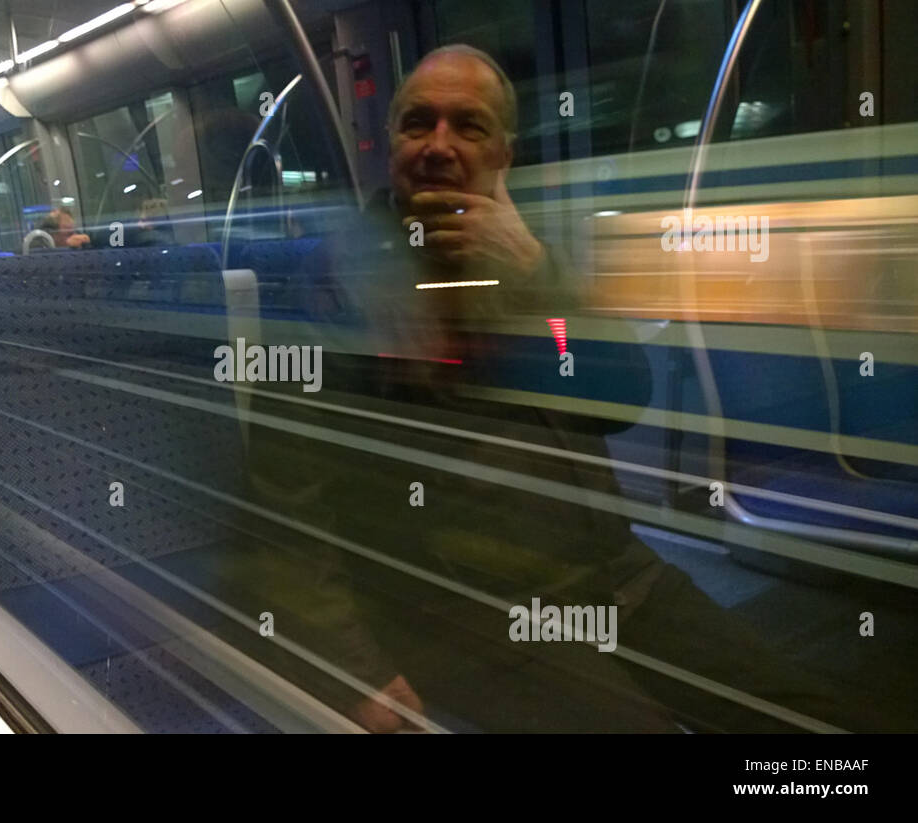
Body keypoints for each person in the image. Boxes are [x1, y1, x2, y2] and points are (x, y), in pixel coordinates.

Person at [223, 44, 840, 733]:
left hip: (615, 576)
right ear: (390, 142)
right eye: (417, 123)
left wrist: (536, 271)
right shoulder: (338, 280)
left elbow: (620, 397)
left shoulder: (524, 254)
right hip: (475, 614)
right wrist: (351, 667)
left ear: (504, 155)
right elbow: (285, 500)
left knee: (806, 721)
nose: (439, 145)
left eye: (469, 126)